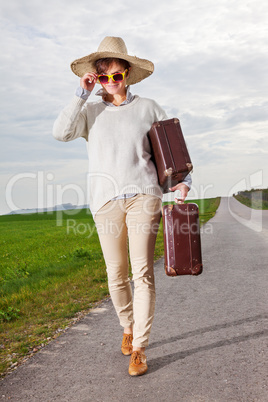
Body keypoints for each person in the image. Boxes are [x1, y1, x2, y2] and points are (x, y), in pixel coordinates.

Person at [53, 36, 191, 376]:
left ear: (127, 73)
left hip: (144, 195)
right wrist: (80, 94)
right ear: (96, 79)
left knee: (141, 272)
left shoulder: (149, 108)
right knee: (116, 274)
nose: (111, 83)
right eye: (104, 77)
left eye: (117, 75)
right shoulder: (90, 112)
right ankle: (127, 327)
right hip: (104, 201)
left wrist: (183, 184)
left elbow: (173, 150)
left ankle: (140, 348)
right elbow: (60, 132)